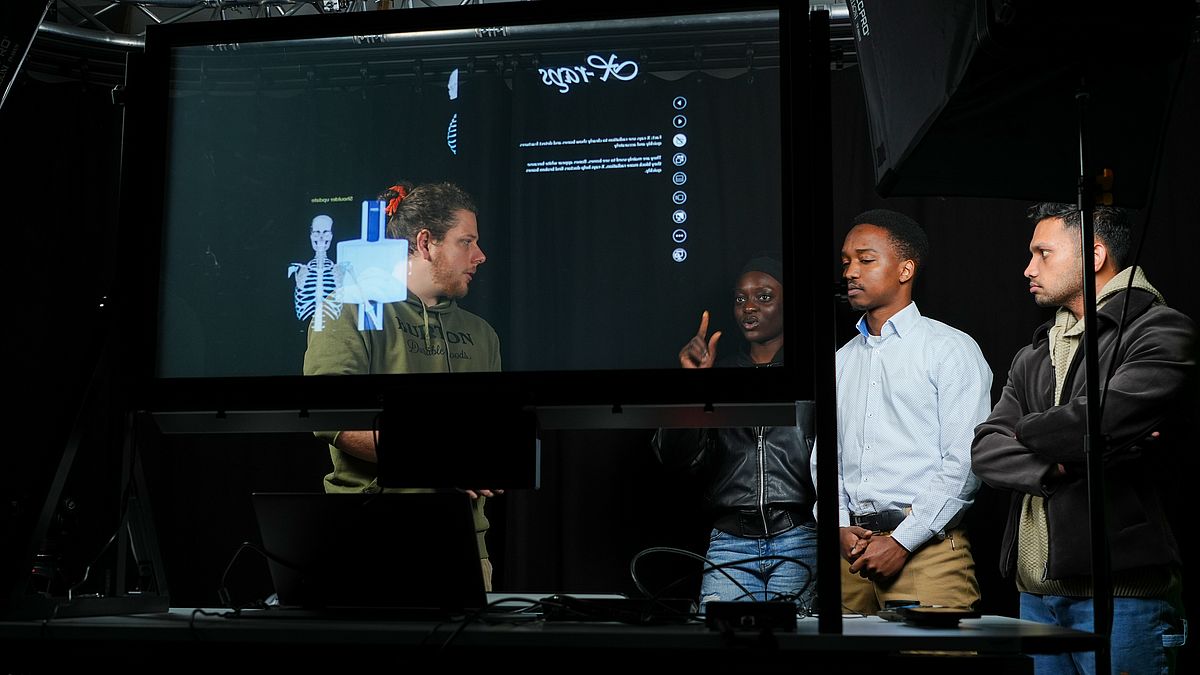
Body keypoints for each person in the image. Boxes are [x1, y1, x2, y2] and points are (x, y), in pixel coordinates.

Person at [972, 203, 1194, 674]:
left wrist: (1025, 428)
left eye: (1043, 253)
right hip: (1035, 598)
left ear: (1094, 255)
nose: (1028, 268)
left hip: (1123, 596)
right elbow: (985, 449)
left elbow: (1099, 421)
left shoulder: (1161, 329)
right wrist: (1056, 463)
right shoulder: (1033, 354)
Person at [303, 180, 503, 590]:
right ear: (426, 243)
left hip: (465, 546)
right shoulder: (346, 311)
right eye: (466, 242)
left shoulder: (483, 335)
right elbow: (330, 418)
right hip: (369, 538)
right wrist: (440, 458)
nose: (480, 256)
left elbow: (494, 433)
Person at [835, 209, 991, 614]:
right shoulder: (840, 360)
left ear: (905, 269)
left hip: (928, 551)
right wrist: (839, 525)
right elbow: (826, 457)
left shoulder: (950, 349)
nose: (850, 272)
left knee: (931, 654)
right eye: (846, 261)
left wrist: (903, 541)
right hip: (851, 554)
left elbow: (965, 463)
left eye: (866, 260)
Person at [653, 254, 819, 613]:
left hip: (799, 538)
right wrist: (692, 385)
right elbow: (674, 457)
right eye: (740, 298)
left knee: (795, 642)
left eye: (764, 297)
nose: (749, 307)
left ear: (788, 304)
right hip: (730, 544)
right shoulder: (719, 372)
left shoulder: (814, 373)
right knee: (722, 641)